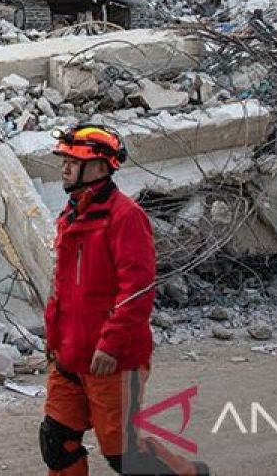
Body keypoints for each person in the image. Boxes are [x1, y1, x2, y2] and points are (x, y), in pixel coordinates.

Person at [42, 124, 207, 476]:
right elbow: (63, 288)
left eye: (75, 161)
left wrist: (111, 344)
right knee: (57, 441)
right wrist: (53, 339)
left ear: (100, 168)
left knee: (123, 455)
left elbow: (138, 289)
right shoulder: (71, 215)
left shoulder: (125, 217)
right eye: (66, 160)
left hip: (111, 360)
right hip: (70, 355)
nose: (65, 167)